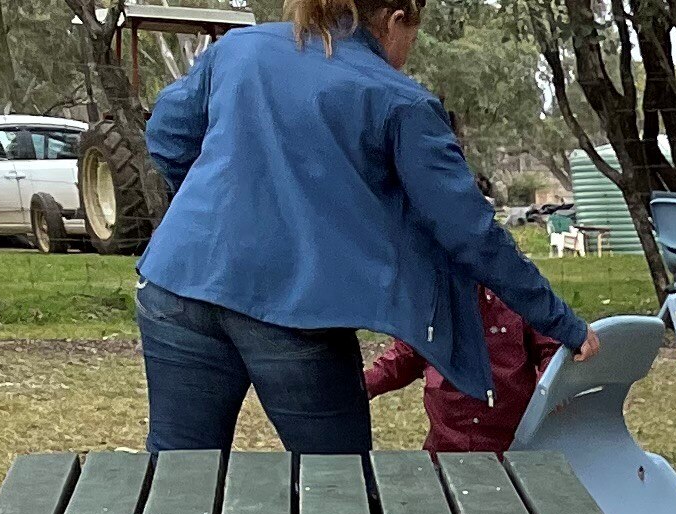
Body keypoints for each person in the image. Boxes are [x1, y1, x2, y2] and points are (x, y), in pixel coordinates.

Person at [137, 0, 593, 458]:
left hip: (176, 281)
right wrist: (562, 323)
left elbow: (167, 134)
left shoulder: (239, 49)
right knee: (339, 481)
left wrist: (209, 214)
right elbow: (471, 231)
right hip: (297, 307)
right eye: (413, 36)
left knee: (179, 472)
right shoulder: (399, 99)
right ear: (396, 20)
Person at [363, 282, 539, 451]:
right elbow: (405, 357)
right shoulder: (430, 306)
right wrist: (361, 387)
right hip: (447, 447)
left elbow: (551, 352)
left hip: (513, 447)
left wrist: (547, 397)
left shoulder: (519, 297)